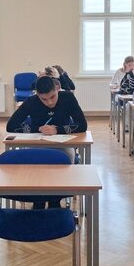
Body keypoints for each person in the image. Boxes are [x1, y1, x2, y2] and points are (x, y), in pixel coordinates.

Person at [6, 76, 87, 207]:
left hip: (63, 144)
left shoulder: (68, 98)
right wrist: (37, 129)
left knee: (63, 162)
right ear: (37, 95)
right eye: (44, 99)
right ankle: (38, 201)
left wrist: (58, 130)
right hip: (38, 144)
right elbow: (10, 126)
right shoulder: (32, 101)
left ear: (57, 88)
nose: (49, 102)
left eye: (52, 97)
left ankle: (55, 201)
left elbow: (82, 125)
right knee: (35, 164)